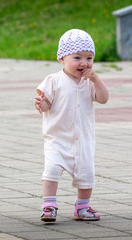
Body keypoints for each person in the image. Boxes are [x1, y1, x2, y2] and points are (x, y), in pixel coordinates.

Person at [34, 29, 109, 222]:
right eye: (77, 57)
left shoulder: (89, 82)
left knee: (86, 173)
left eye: (89, 58)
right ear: (62, 58)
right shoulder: (54, 80)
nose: (84, 63)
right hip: (57, 139)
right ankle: (49, 205)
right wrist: (42, 104)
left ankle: (82, 207)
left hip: (83, 140)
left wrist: (96, 79)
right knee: (51, 170)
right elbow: (46, 103)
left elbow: (103, 99)